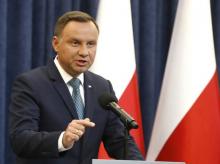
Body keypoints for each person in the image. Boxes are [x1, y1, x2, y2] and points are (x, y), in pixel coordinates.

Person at [9, 11, 143, 164]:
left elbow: (118, 141)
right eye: (75, 43)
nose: (84, 52)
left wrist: (138, 162)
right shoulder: (31, 83)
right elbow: (20, 139)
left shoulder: (102, 86)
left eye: (91, 44)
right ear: (56, 44)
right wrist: (62, 139)